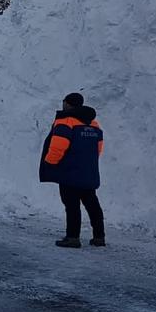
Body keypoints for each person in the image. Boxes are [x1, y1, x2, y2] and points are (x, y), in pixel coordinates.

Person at [40, 92, 106, 248]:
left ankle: (72, 237)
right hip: (89, 171)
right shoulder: (94, 124)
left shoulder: (65, 121)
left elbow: (58, 146)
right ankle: (99, 237)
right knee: (92, 204)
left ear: (68, 104)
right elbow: (99, 149)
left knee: (72, 205)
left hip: (69, 172)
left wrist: (50, 163)